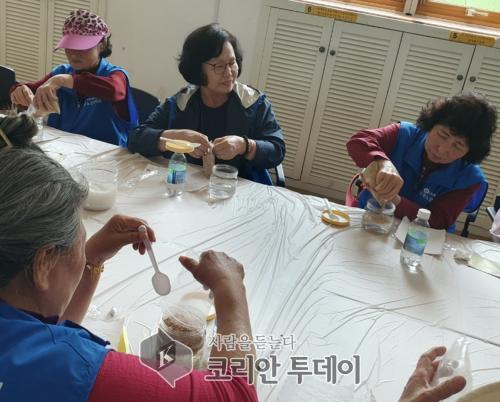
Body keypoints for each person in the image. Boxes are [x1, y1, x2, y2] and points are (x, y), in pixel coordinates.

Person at [0, 137, 257, 400]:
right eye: (80, 236)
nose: (83, 247)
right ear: (44, 263)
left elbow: (44, 336)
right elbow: (236, 393)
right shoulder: (73, 368)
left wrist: (92, 258)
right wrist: (230, 288)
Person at [128, 23, 285, 185]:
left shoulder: (253, 103)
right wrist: (175, 137)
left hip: (238, 188)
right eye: (219, 66)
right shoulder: (180, 103)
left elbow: (277, 150)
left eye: (232, 63)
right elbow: (135, 138)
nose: (229, 73)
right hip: (188, 186)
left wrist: (244, 145)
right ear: (197, 69)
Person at [347, 93, 497, 230]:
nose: (442, 149)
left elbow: (439, 220)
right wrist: (381, 162)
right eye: (443, 135)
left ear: (469, 151)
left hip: (420, 235)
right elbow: (358, 142)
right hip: (370, 218)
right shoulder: (403, 134)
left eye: (458, 145)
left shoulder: (470, 178)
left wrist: (394, 199)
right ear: (431, 125)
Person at [10, 9, 138, 147]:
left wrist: (63, 80)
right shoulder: (62, 71)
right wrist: (19, 91)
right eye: (69, 47)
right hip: (66, 150)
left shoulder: (116, 75)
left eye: (82, 48)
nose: (74, 54)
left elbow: (115, 90)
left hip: (107, 154)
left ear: (101, 45)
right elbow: (33, 90)